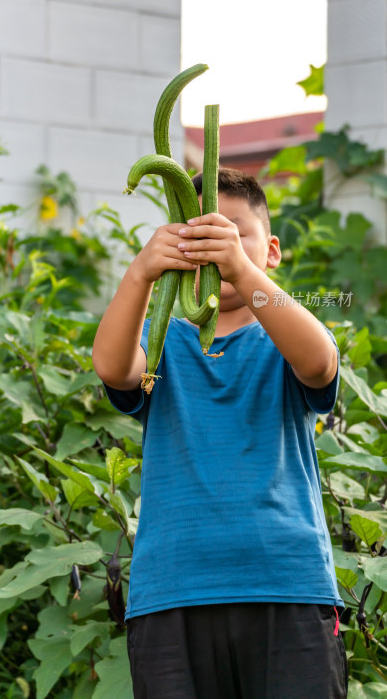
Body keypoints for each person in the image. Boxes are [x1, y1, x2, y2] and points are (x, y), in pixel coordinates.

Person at [92, 167, 348, 699]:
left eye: (233, 231)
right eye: (200, 232)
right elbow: (116, 369)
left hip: (287, 587)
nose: (216, 243)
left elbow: (320, 361)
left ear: (271, 250)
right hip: (172, 594)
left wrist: (244, 272)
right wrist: (141, 273)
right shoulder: (160, 342)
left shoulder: (284, 331)